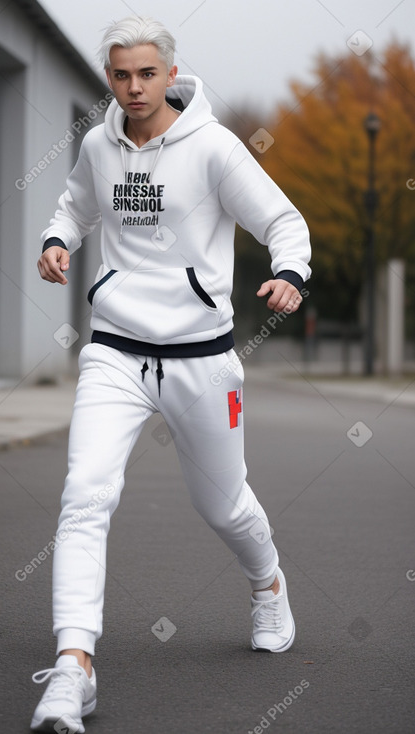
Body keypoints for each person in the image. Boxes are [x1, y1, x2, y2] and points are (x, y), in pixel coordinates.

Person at [30, 15, 311, 733]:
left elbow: (282, 221)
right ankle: (73, 667)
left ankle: (267, 582)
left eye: (146, 74)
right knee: (85, 495)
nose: (133, 87)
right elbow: (74, 206)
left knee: (223, 505)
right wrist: (58, 239)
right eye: (120, 75)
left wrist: (289, 274)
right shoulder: (98, 145)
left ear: (168, 73)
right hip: (115, 351)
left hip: (200, 358)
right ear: (110, 78)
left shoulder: (213, 148)